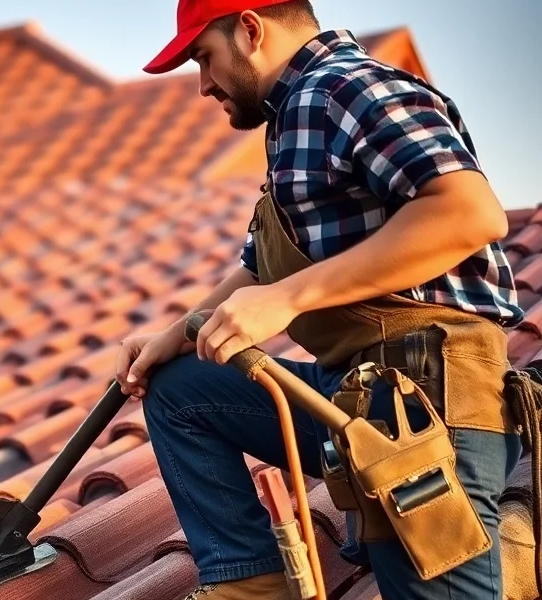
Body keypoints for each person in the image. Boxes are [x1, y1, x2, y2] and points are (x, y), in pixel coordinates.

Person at [116, 1, 523, 598]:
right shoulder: (292, 121)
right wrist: (172, 337)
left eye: (205, 58)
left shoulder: (347, 88)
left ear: (251, 30)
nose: (203, 85)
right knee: (180, 389)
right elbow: (258, 271)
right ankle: (250, 583)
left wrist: (289, 297)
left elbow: (468, 212)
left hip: (427, 407)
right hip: (354, 401)